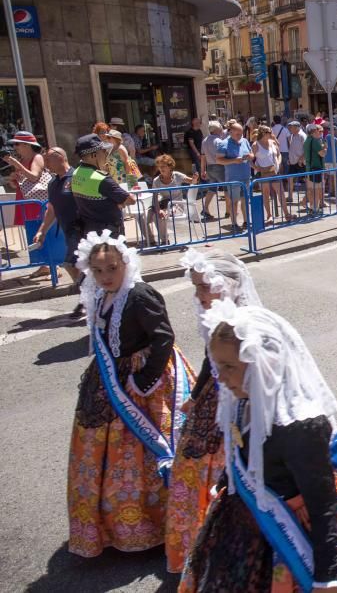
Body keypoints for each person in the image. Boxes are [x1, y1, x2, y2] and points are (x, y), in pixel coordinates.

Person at [180, 301, 337, 592]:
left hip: (295, 533)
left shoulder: (301, 428)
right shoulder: (243, 402)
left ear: (264, 364)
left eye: (229, 367)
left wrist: (330, 575)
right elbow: (241, 453)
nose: (220, 377)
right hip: (246, 522)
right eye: (217, 366)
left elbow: (322, 505)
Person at [67, 230, 196, 558]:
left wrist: (144, 380)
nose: (105, 276)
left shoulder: (139, 295)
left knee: (147, 450)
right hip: (110, 378)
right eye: (98, 270)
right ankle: (116, 525)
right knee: (104, 454)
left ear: (125, 263)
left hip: (145, 380)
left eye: (111, 268)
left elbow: (163, 337)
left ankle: (156, 522)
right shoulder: (97, 295)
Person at [165, 250, 262, 574]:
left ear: (228, 285)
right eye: (196, 288)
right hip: (215, 398)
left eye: (206, 287)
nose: (199, 295)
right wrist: (195, 396)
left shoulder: (247, 325)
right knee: (190, 468)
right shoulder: (215, 317)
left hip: (241, 405)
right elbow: (211, 359)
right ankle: (195, 545)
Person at [33, 146, 84, 315]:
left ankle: (89, 298)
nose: (45, 163)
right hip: (68, 230)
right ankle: (88, 297)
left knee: (72, 263)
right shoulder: (53, 183)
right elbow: (51, 209)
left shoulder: (78, 176)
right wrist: (42, 231)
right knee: (75, 265)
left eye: (48, 159)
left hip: (84, 229)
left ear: (60, 157)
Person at [71, 134, 135, 237]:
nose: (106, 154)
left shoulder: (75, 173)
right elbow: (130, 200)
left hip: (89, 233)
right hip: (108, 234)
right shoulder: (100, 178)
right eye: (103, 151)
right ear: (93, 155)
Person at [146, 154, 198, 246]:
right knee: (150, 215)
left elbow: (192, 181)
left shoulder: (177, 175)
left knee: (162, 216)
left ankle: (164, 241)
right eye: (159, 166)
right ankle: (151, 240)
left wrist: (194, 178)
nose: (161, 168)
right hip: (164, 204)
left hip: (177, 206)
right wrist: (158, 210)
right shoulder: (156, 180)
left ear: (170, 166)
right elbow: (154, 197)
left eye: (163, 166)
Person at [3, 131, 51, 231]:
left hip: (36, 202)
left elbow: (34, 177)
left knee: (40, 232)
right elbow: (19, 186)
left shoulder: (37, 157)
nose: (15, 147)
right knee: (31, 233)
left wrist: (17, 165)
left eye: (17, 144)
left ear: (27, 145)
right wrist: (13, 180)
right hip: (25, 201)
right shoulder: (21, 160)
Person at [251, 127, 292, 224]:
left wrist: (278, 161)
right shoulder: (255, 145)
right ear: (263, 133)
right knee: (266, 193)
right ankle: (269, 216)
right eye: (269, 132)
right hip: (263, 172)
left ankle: (286, 213)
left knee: (280, 192)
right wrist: (256, 168)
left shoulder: (272, 142)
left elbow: (279, 154)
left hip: (274, 171)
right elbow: (249, 159)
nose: (271, 133)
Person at [216, 123, 253, 230]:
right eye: (237, 134)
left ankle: (246, 221)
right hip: (233, 178)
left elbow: (252, 154)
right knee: (234, 201)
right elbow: (218, 160)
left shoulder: (244, 141)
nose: (240, 136)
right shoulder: (224, 144)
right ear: (230, 132)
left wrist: (250, 156)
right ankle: (234, 223)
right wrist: (234, 160)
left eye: (241, 133)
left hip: (246, 176)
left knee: (245, 200)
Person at [200, 120, 226, 222]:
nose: (221, 129)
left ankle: (205, 208)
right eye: (220, 127)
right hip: (220, 167)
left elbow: (203, 157)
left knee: (212, 189)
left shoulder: (204, 140)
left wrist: (203, 170)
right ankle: (230, 211)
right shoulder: (219, 141)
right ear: (216, 129)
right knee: (228, 188)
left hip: (210, 167)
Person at [303, 123, 327, 217]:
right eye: (318, 130)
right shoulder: (315, 141)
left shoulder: (306, 141)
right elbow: (322, 154)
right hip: (316, 168)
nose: (319, 132)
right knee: (316, 190)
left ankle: (312, 208)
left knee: (311, 190)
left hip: (309, 168)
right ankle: (315, 209)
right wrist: (325, 147)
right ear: (314, 131)